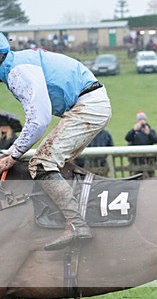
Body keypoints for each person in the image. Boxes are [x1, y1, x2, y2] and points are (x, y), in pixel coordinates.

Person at [0, 31, 111, 250]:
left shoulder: (17, 71)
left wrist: (12, 155)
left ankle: (77, 224)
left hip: (88, 105)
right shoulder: (16, 64)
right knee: (50, 161)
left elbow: (39, 120)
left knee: (41, 163)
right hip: (88, 102)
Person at [125, 111, 157, 178]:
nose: (142, 122)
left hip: (149, 159)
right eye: (140, 120)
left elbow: (156, 140)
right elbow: (127, 138)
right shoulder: (134, 131)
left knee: (150, 176)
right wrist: (133, 130)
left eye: (143, 119)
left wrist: (149, 133)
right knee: (137, 176)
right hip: (136, 159)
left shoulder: (150, 130)